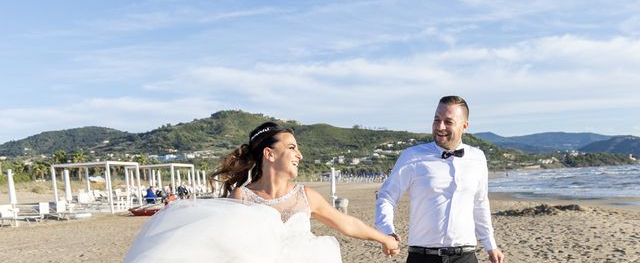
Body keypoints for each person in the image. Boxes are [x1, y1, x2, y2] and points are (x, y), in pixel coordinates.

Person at [125, 122, 399, 262]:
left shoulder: (305, 196)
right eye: (291, 147)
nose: (299, 154)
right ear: (269, 154)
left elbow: (346, 223)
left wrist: (384, 239)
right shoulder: (241, 198)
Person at [375, 96, 505, 263]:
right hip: (422, 257)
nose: (440, 126)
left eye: (448, 122)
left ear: (464, 126)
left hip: (465, 256)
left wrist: (490, 245)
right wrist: (387, 232)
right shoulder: (412, 156)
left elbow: (480, 203)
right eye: (437, 119)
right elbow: (386, 196)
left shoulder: (477, 157)